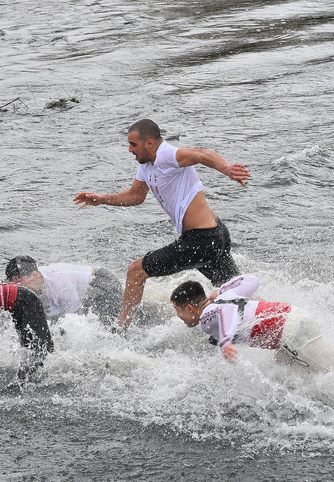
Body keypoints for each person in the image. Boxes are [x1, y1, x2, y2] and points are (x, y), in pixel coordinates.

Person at [73, 119, 250, 330]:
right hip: (214, 235)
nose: (130, 149)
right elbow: (136, 196)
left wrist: (227, 168)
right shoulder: (146, 165)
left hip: (201, 240)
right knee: (234, 291)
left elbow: (202, 154)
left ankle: (119, 330)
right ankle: (264, 318)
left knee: (136, 271)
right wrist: (101, 198)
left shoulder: (166, 154)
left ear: (149, 143)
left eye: (133, 144)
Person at [170, 275, 334, 372]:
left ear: (190, 308)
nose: (179, 316)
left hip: (290, 332)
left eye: (178, 310)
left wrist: (225, 342)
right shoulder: (226, 296)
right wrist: (223, 289)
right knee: (286, 377)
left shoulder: (205, 318)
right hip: (294, 317)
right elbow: (252, 280)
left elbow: (226, 312)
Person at [4, 256, 122, 325]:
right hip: (81, 291)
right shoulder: (34, 284)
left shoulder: (60, 284)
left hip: (103, 285)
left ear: (35, 274)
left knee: (107, 327)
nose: (18, 287)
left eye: (19, 282)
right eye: (13, 283)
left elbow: (78, 319)